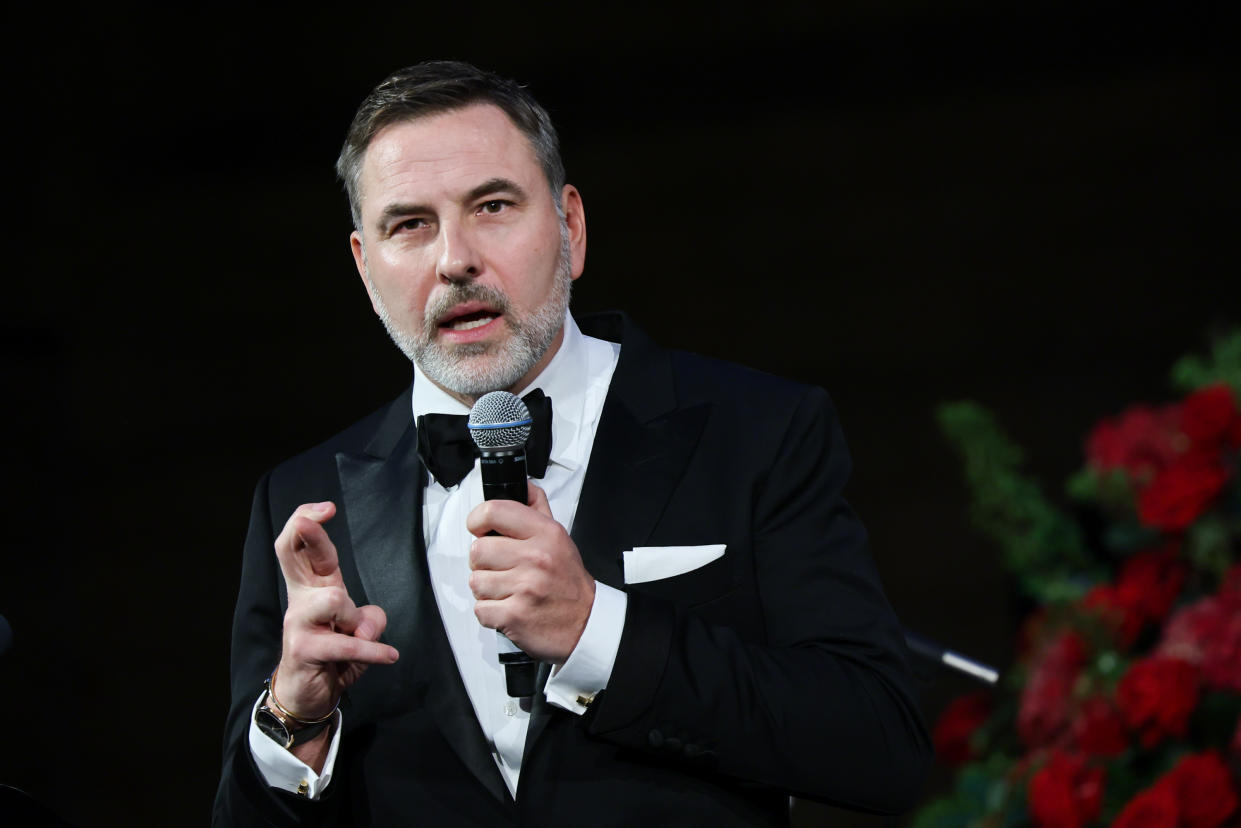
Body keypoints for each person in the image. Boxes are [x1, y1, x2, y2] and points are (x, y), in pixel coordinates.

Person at [213, 61, 932, 827]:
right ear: (364, 266)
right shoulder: (300, 500)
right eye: (410, 224)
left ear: (571, 228)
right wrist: (294, 718)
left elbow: (879, 748)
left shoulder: (756, 430)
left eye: (492, 206)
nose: (454, 258)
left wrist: (597, 632)